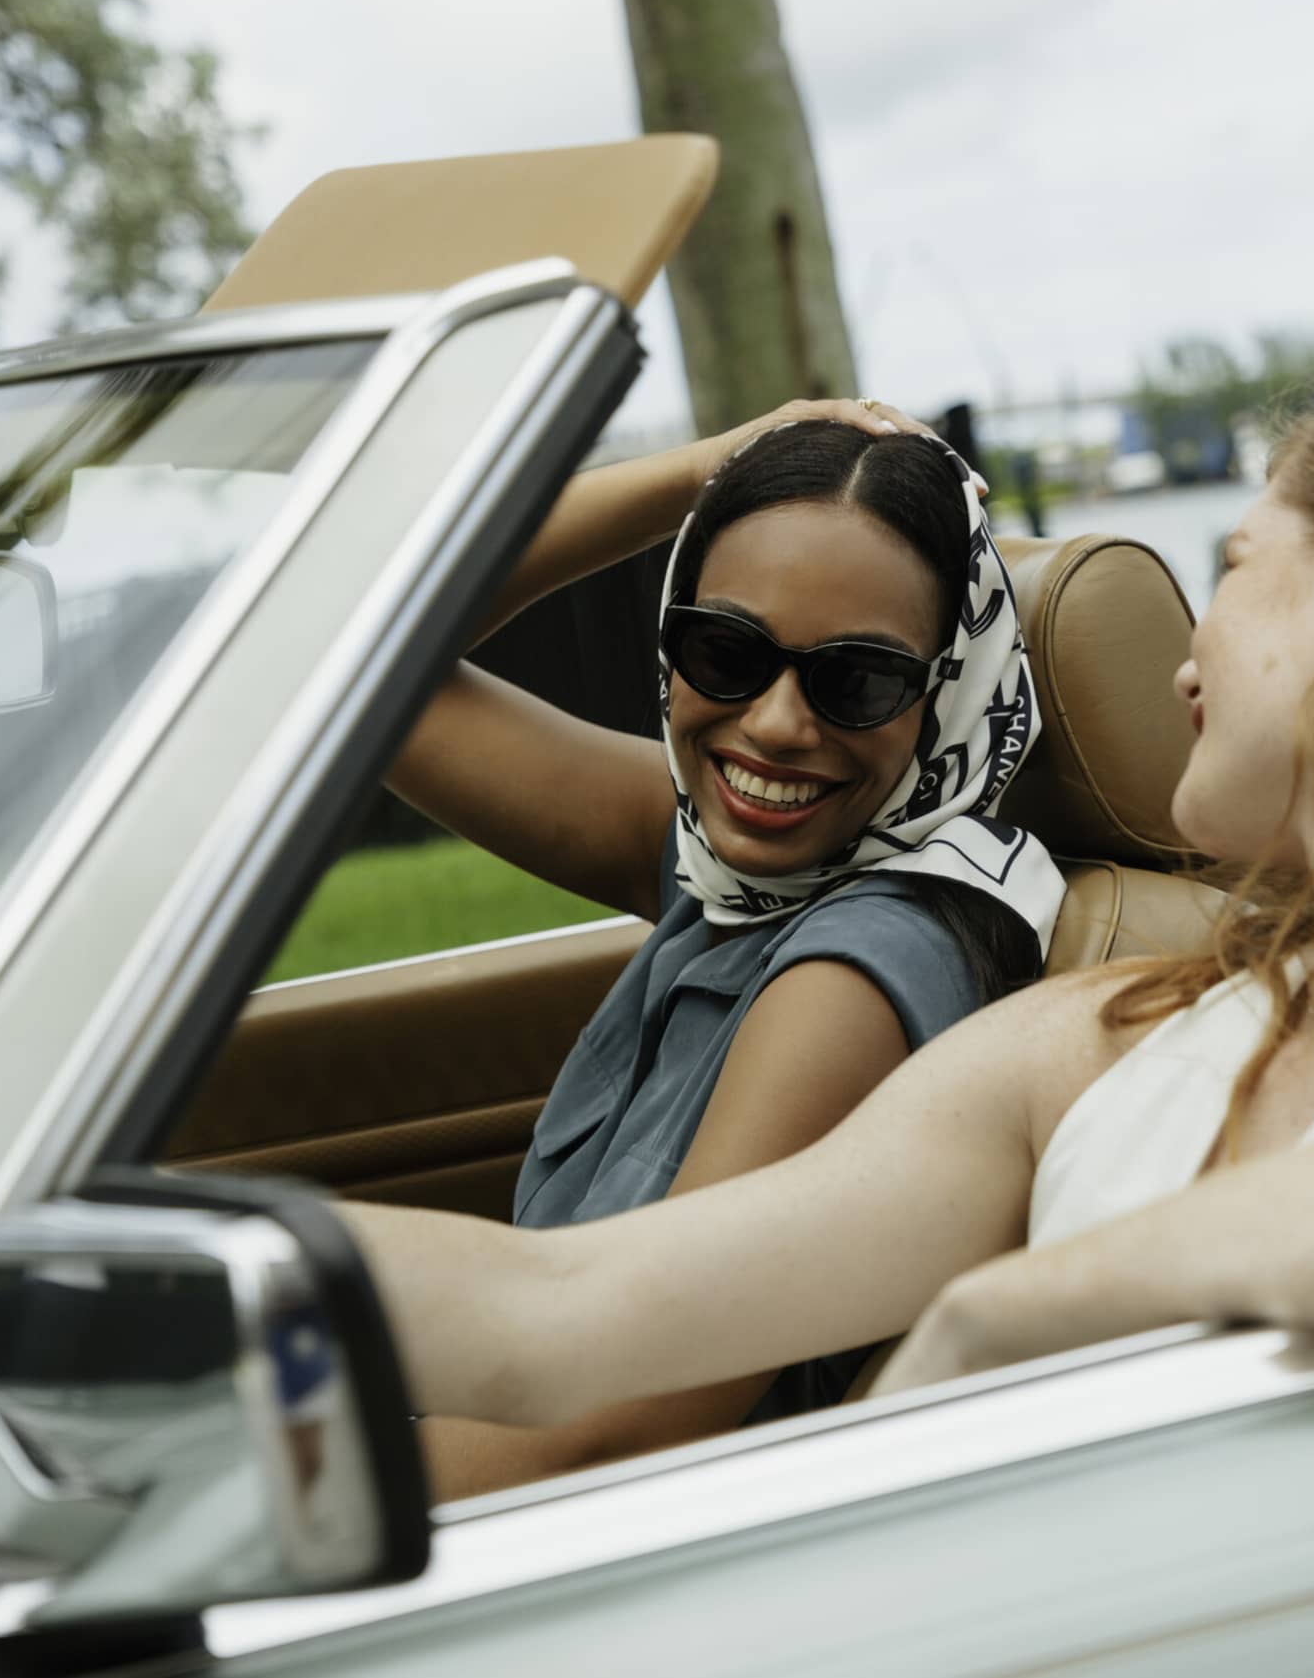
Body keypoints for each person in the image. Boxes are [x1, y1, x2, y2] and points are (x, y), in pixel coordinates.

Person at [348, 359, 1314, 1439]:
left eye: (1232, 562)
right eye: (722, 649)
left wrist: (997, 1322)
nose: (1182, 656)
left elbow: (615, 1399)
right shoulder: (1095, 1035)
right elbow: (568, 1309)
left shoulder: (1000, 1002)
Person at [386, 398, 1065, 1493]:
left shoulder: (854, 972)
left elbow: (625, 1429)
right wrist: (703, 471)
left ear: (946, 693)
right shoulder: (742, 866)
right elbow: (355, 652)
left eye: (857, 678)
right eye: (725, 649)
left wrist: (243, 1492)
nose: (778, 723)